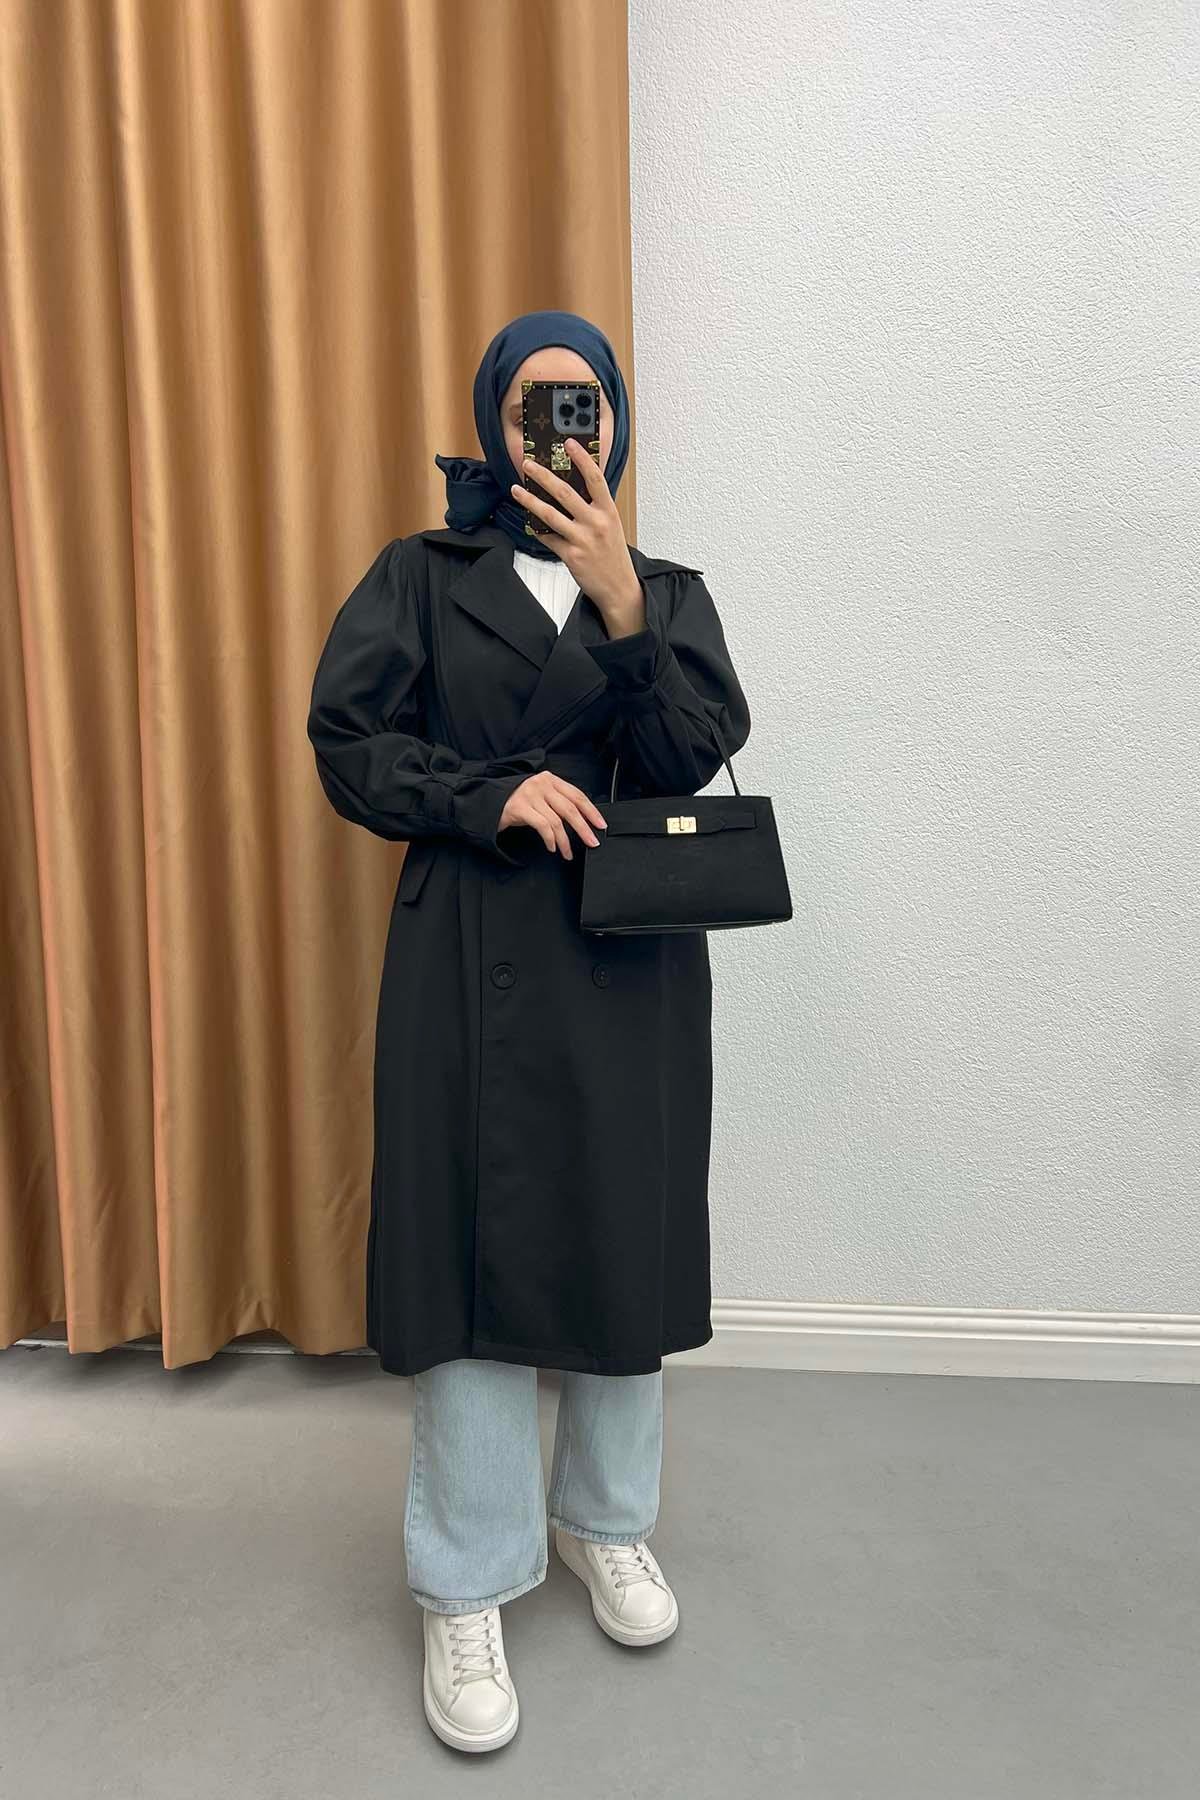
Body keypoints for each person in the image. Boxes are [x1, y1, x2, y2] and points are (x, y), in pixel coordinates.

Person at [307, 309, 751, 1753]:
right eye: (537, 408)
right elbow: (347, 744)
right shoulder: (420, 577)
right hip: (471, 948)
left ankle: (605, 1524)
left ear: (616, 423)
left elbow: (690, 755)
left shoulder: (666, 589)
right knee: (471, 1252)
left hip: (629, 958)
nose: (567, 431)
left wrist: (622, 607)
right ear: (495, 424)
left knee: (624, 1231)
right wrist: (482, 795)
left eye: (589, 406)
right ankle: (468, 1575)